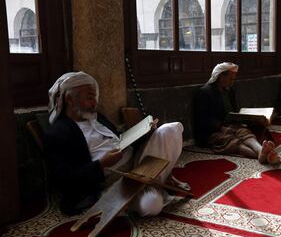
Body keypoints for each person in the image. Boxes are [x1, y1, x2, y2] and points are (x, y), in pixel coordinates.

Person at [44, 71, 188, 216]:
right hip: (114, 181)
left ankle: (153, 180)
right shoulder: (58, 133)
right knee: (152, 205)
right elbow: (64, 179)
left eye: (95, 97)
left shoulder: (99, 118)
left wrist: (144, 133)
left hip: (138, 164)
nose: (95, 102)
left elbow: (121, 141)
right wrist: (102, 164)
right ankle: (154, 182)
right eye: (90, 98)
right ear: (69, 99)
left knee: (171, 129)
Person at [194, 62, 280, 165]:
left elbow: (234, 112)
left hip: (230, 125)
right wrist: (221, 128)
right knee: (232, 141)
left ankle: (260, 152)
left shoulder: (230, 91)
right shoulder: (204, 92)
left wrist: (247, 119)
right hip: (210, 132)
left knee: (244, 131)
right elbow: (203, 118)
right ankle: (263, 155)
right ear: (221, 77)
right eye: (231, 79)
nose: (232, 82)